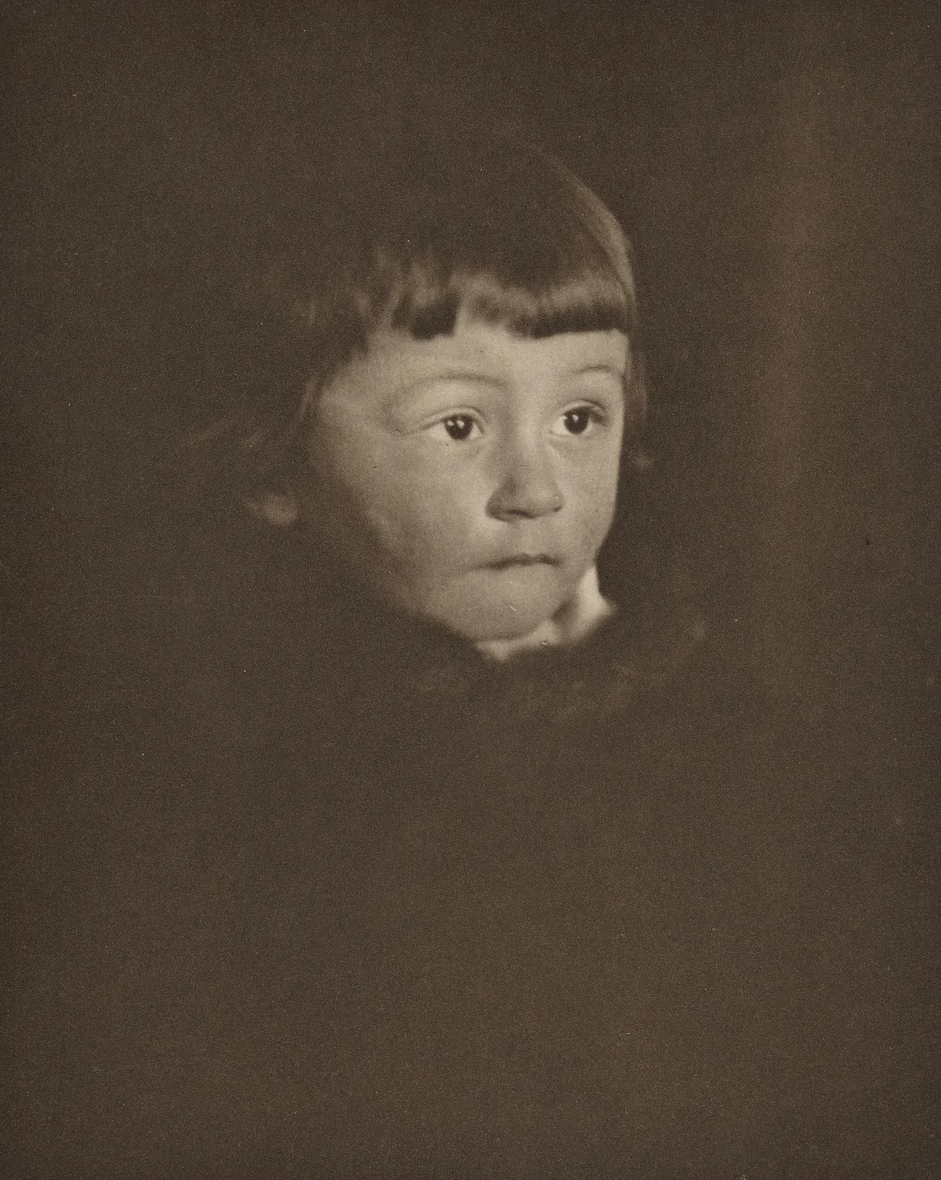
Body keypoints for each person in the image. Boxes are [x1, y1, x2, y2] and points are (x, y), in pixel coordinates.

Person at [6, 112, 933, 1178]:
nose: (536, 489)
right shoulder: (222, 784)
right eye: (457, 425)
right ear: (271, 466)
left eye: (580, 418)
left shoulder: (725, 733)